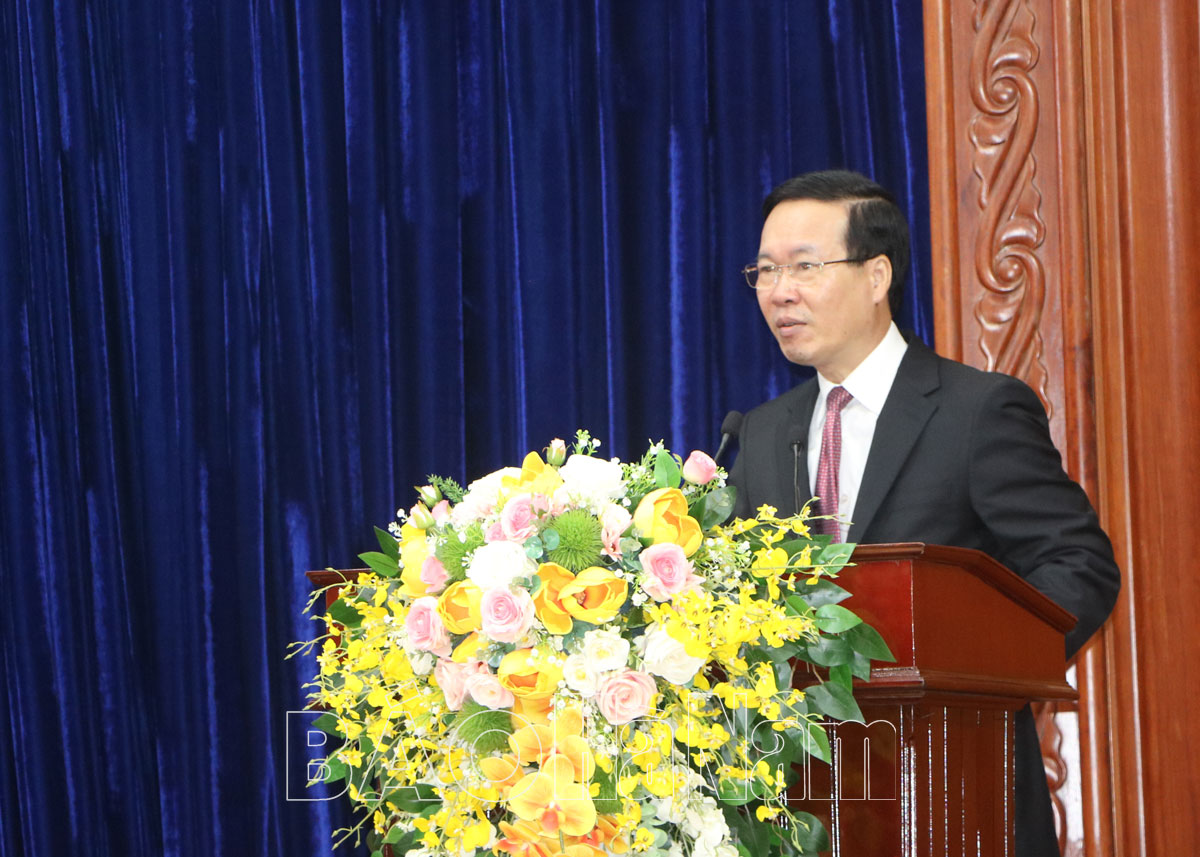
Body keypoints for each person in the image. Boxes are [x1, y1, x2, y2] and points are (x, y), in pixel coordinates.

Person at [727, 170, 1120, 856]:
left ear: (877, 275)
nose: (780, 291)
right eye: (765, 271)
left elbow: (1078, 566)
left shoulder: (975, 411)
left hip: (955, 782)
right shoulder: (759, 432)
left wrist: (973, 673)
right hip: (805, 803)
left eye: (804, 267)